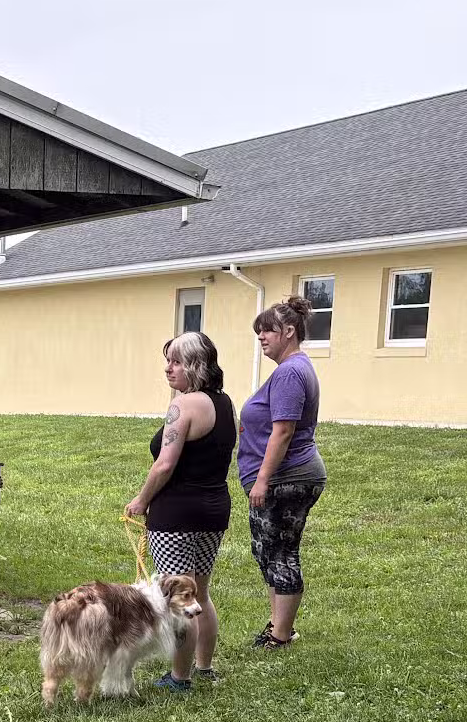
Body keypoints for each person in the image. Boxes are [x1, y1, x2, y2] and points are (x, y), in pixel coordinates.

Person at [124, 331, 235, 688]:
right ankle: (203, 667)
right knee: (200, 592)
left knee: (178, 597)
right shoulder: (224, 403)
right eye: (167, 361)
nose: (168, 369)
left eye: (176, 362)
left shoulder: (183, 406)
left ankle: (179, 677)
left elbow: (164, 465)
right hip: (214, 509)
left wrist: (141, 500)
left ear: (196, 366)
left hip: (176, 515)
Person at [236, 294, 327, 647]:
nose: (261, 338)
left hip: (286, 478)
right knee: (270, 551)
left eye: (267, 331)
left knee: (281, 552)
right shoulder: (293, 368)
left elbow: (284, 430)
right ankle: (277, 626)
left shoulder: (290, 372)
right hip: (287, 476)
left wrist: (262, 479)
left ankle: (281, 635)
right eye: (258, 332)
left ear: (289, 331)